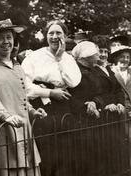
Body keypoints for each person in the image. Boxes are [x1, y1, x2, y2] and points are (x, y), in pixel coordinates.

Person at [0, 19, 46, 176]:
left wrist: (33, 111)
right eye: (0, 38)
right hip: (6, 129)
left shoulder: (17, 66)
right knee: (12, 168)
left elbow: (22, 98)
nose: (6, 42)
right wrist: (6, 116)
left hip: (24, 128)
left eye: (9, 37)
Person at [21, 20, 81, 176]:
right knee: (47, 152)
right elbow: (24, 85)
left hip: (64, 106)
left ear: (65, 36)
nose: (55, 37)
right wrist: (50, 93)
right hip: (42, 106)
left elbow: (73, 82)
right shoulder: (34, 57)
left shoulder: (68, 58)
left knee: (66, 152)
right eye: (51, 33)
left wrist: (60, 57)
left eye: (59, 33)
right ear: (46, 36)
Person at [69, 41, 127, 176]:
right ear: (86, 57)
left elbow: (105, 93)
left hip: (99, 120)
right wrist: (88, 103)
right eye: (95, 54)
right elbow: (74, 95)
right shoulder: (75, 71)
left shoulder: (95, 70)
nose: (98, 56)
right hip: (83, 122)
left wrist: (97, 102)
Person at [110, 45, 131, 112]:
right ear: (116, 58)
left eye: (128, 57)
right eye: (122, 57)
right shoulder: (111, 72)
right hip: (118, 108)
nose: (125, 59)